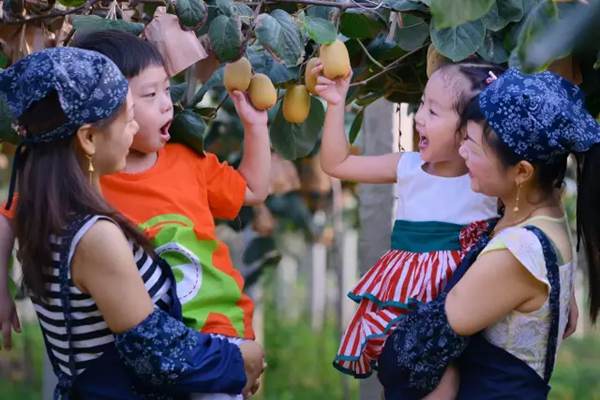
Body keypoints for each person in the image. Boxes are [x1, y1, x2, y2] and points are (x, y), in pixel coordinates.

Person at [0, 30, 270, 399]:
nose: (133, 126)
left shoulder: (52, 218)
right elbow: (157, 353)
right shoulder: (94, 235)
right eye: (126, 116)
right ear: (89, 138)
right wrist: (240, 360)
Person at [378, 68, 600, 399]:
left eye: (470, 143)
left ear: (522, 171)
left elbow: (412, 355)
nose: (461, 152)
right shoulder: (545, 215)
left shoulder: (517, 252)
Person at [314, 58, 503, 395]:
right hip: (406, 302)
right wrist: (335, 102)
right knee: (403, 378)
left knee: (448, 379)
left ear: (467, 129)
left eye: (433, 112)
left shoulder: (487, 184)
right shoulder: (410, 168)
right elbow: (336, 163)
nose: (418, 117)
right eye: (422, 106)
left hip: (459, 304)